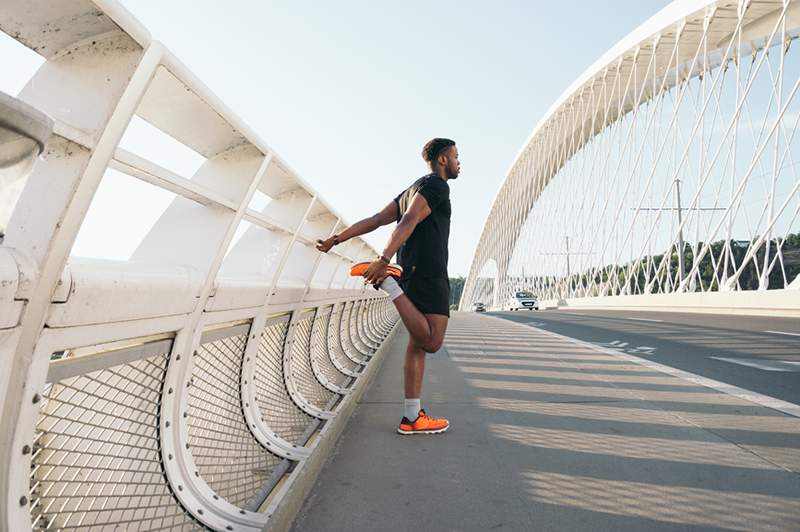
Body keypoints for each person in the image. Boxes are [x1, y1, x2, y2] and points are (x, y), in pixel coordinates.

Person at [316, 138, 459, 435]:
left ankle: (411, 417)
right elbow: (406, 220)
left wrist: (336, 239)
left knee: (417, 345)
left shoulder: (413, 188)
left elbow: (377, 219)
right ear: (442, 159)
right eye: (456, 157)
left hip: (413, 270)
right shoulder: (436, 186)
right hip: (428, 273)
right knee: (431, 342)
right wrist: (383, 260)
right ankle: (389, 284)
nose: (460, 162)